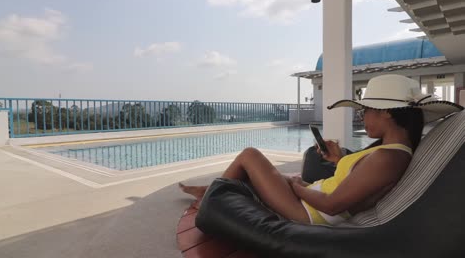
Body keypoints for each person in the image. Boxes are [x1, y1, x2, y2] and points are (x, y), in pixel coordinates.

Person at [179, 74, 462, 225]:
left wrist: (296, 185)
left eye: (365, 110)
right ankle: (212, 190)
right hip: (312, 199)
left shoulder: (389, 157)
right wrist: (338, 161)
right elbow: (357, 183)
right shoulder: (393, 151)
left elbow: (334, 204)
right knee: (253, 170)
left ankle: (210, 198)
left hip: (309, 212)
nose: (362, 116)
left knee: (250, 155)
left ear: (387, 112)